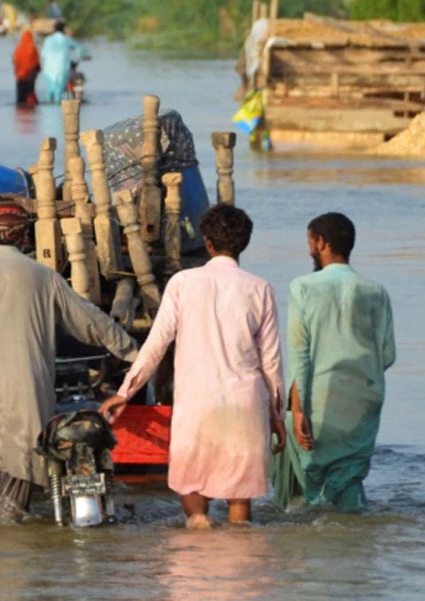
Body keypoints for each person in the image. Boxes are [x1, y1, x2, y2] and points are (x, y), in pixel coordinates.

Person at [0, 200, 138, 520]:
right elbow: (92, 322)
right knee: (15, 482)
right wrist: (135, 353)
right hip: (23, 390)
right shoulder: (43, 275)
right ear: (25, 238)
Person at [100, 204, 286, 527]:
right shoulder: (261, 289)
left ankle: (197, 543)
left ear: (207, 242)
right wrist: (276, 416)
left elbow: (156, 345)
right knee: (239, 505)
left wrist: (125, 392)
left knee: (193, 491)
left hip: (197, 405)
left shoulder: (183, 283)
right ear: (244, 244)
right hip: (245, 404)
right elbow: (271, 364)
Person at [272, 212, 396, 512]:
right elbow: (388, 355)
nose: (309, 250)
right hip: (365, 399)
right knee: (350, 477)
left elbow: (300, 353)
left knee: (305, 475)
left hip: (320, 397)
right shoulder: (376, 291)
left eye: (310, 242)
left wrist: (299, 410)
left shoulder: (303, 287)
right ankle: (356, 545)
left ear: (321, 243)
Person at [39, 20, 82, 103]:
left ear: (54, 29)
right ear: (64, 29)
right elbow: (81, 50)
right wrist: (75, 60)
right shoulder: (67, 40)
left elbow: (43, 55)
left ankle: (48, 115)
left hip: (49, 70)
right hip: (62, 70)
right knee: (59, 95)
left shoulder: (48, 40)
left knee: (49, 94)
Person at [12, 28, 40, 107]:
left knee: (20, 98)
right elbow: (36, 63)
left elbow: (16, 62)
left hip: (20, 76)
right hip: (30, 76)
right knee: (30, 95)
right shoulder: (33, 48)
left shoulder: (18, 49)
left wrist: (17, 72)